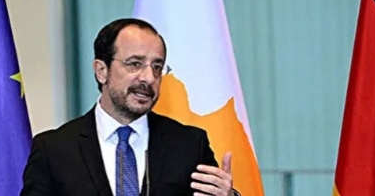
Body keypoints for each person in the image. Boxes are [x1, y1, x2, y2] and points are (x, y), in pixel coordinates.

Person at [20, 18, 240, 196]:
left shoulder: (189, 145)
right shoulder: (54, 149)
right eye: (135, 64)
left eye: (157, 67)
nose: (149, 78)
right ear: (102, 71)